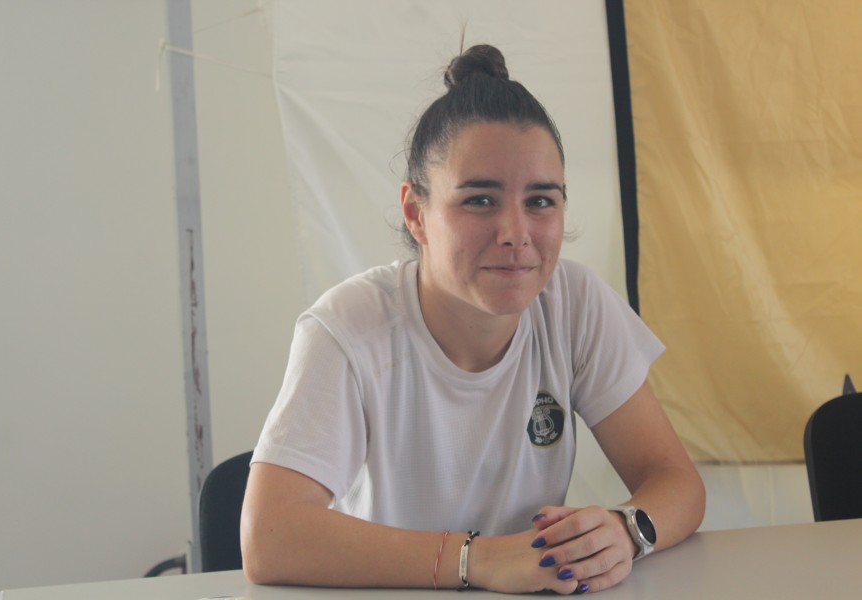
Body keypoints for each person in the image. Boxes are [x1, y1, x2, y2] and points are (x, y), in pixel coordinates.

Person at [241, 44, 705, 595]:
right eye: (480, 200)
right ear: (415, 213)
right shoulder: (347, 327)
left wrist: (627, 530)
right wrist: (475, 560)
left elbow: (675, 482)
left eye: (541, 201)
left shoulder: (575, 302)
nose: (516, 233)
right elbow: (270, 538)